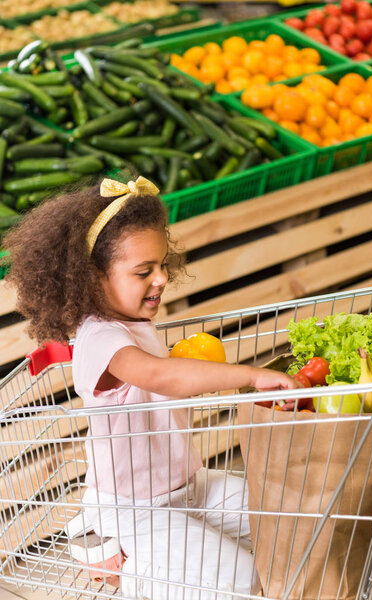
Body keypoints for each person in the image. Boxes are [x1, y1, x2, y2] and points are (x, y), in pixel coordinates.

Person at [4, 175, 299, 600]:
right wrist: (249, 376)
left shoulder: (134, 321)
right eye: (144, 271)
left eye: (163, 264)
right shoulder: (101, 337)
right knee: (240, 578)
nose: (160, 279)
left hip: (189, 486)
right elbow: (161, 376)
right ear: (92, 279)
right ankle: (135, 574)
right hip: (134, 511)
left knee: (287, 513)